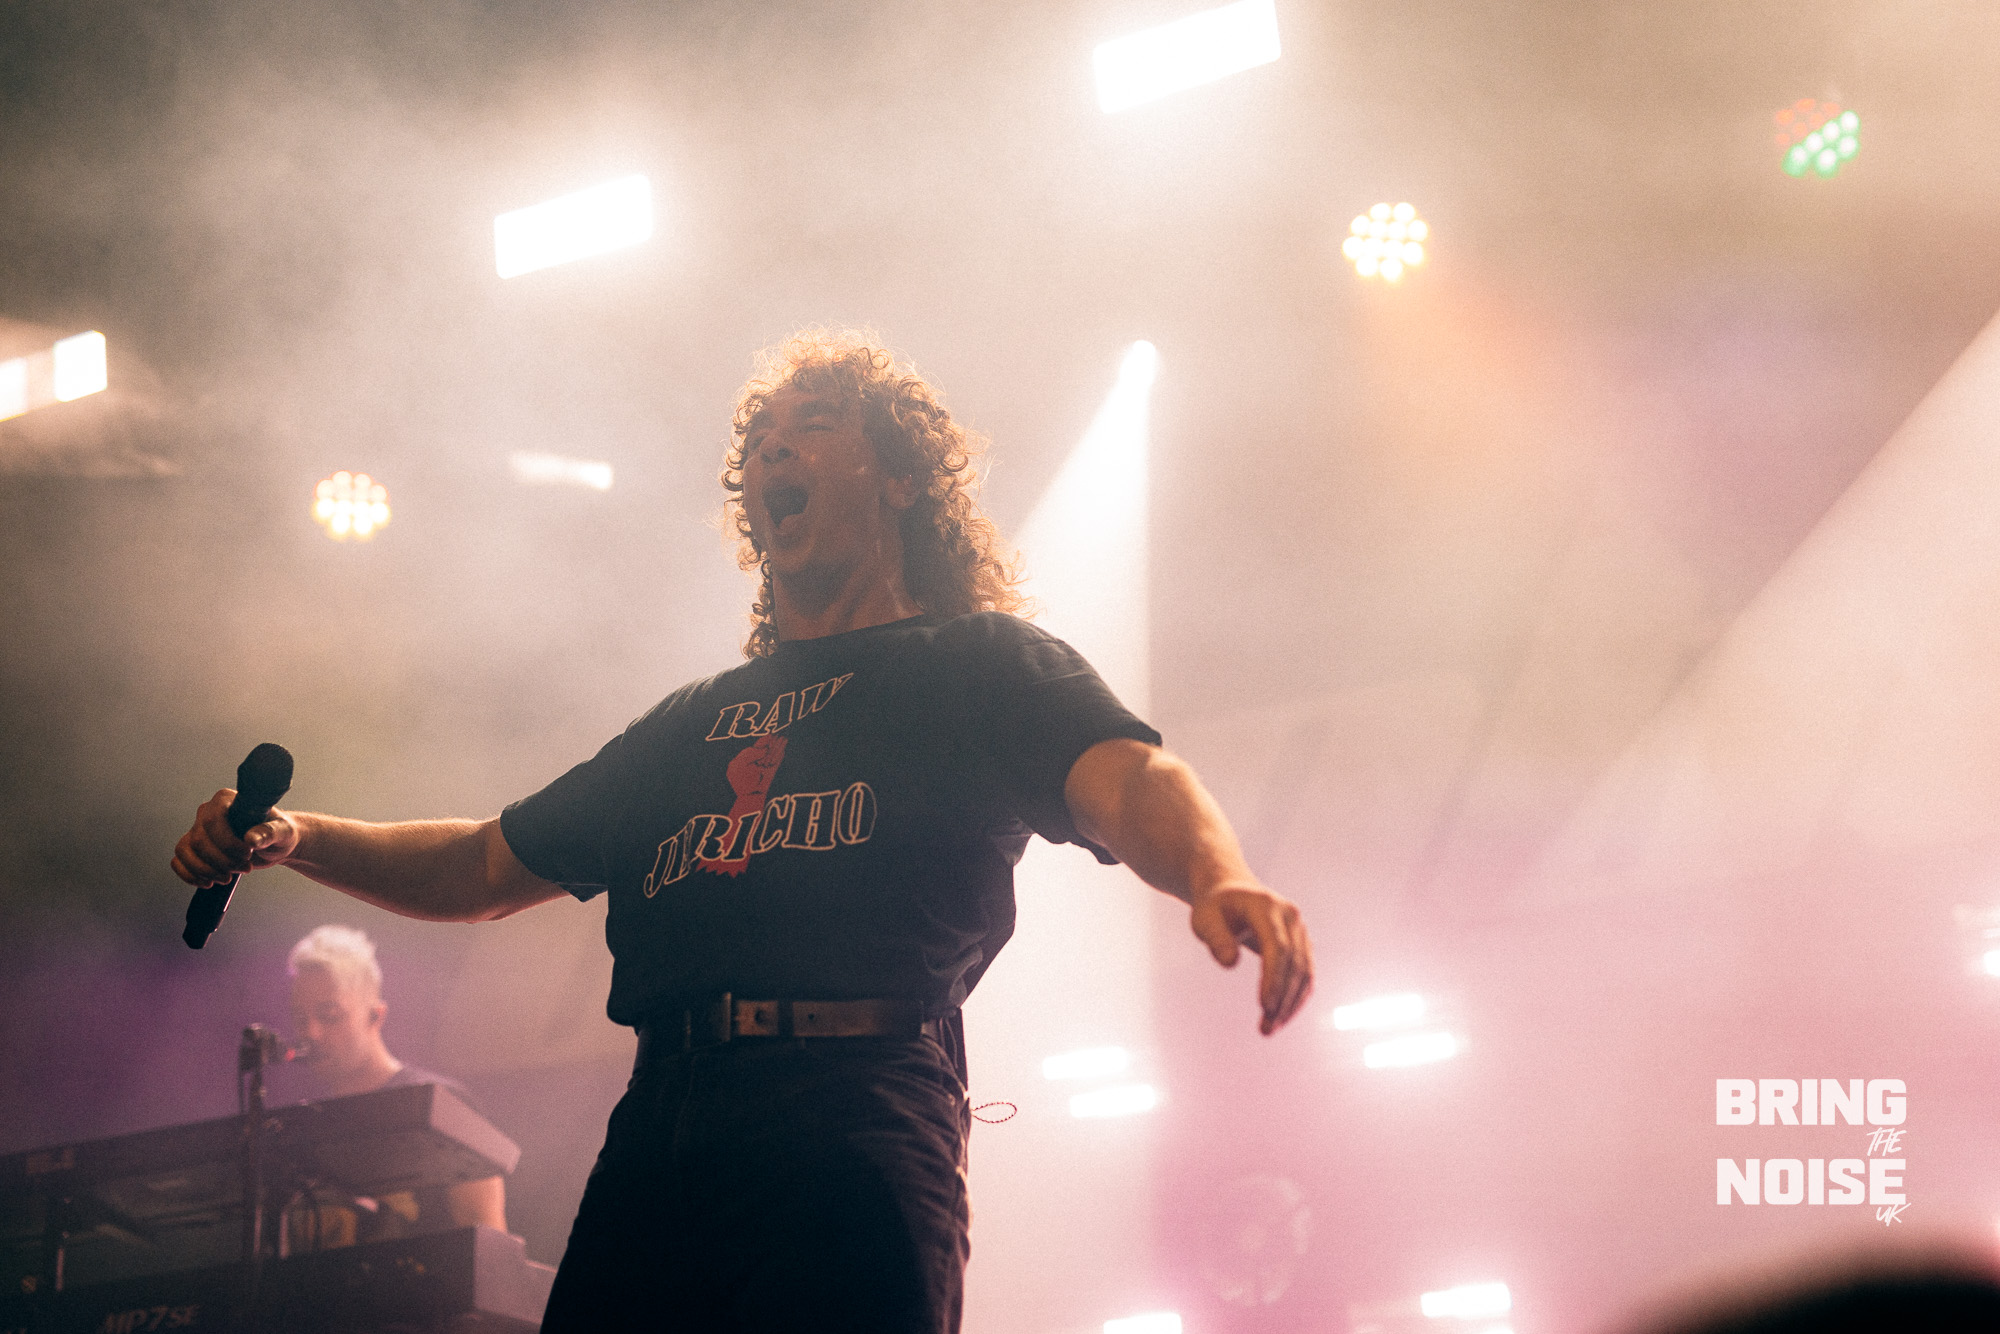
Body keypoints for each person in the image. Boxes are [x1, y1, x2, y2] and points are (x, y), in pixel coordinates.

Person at [172, 330, 1314, 1333]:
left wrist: (1217, 873)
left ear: (901, 478)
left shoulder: (980, 663)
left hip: (856, 1109)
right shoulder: (687, 723)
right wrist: (293, 836)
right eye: (759, 442)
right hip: (660, 1129)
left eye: (811, 426)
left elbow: (1128, 775)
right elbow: (481, 863)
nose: (773, 452)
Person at [282, 924, 507, 1241]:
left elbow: (488, 1242)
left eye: (330, 1015)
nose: (311, 1033)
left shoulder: (443, 1103)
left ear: (376, 1015)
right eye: (300, 1018)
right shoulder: (306, 1123)